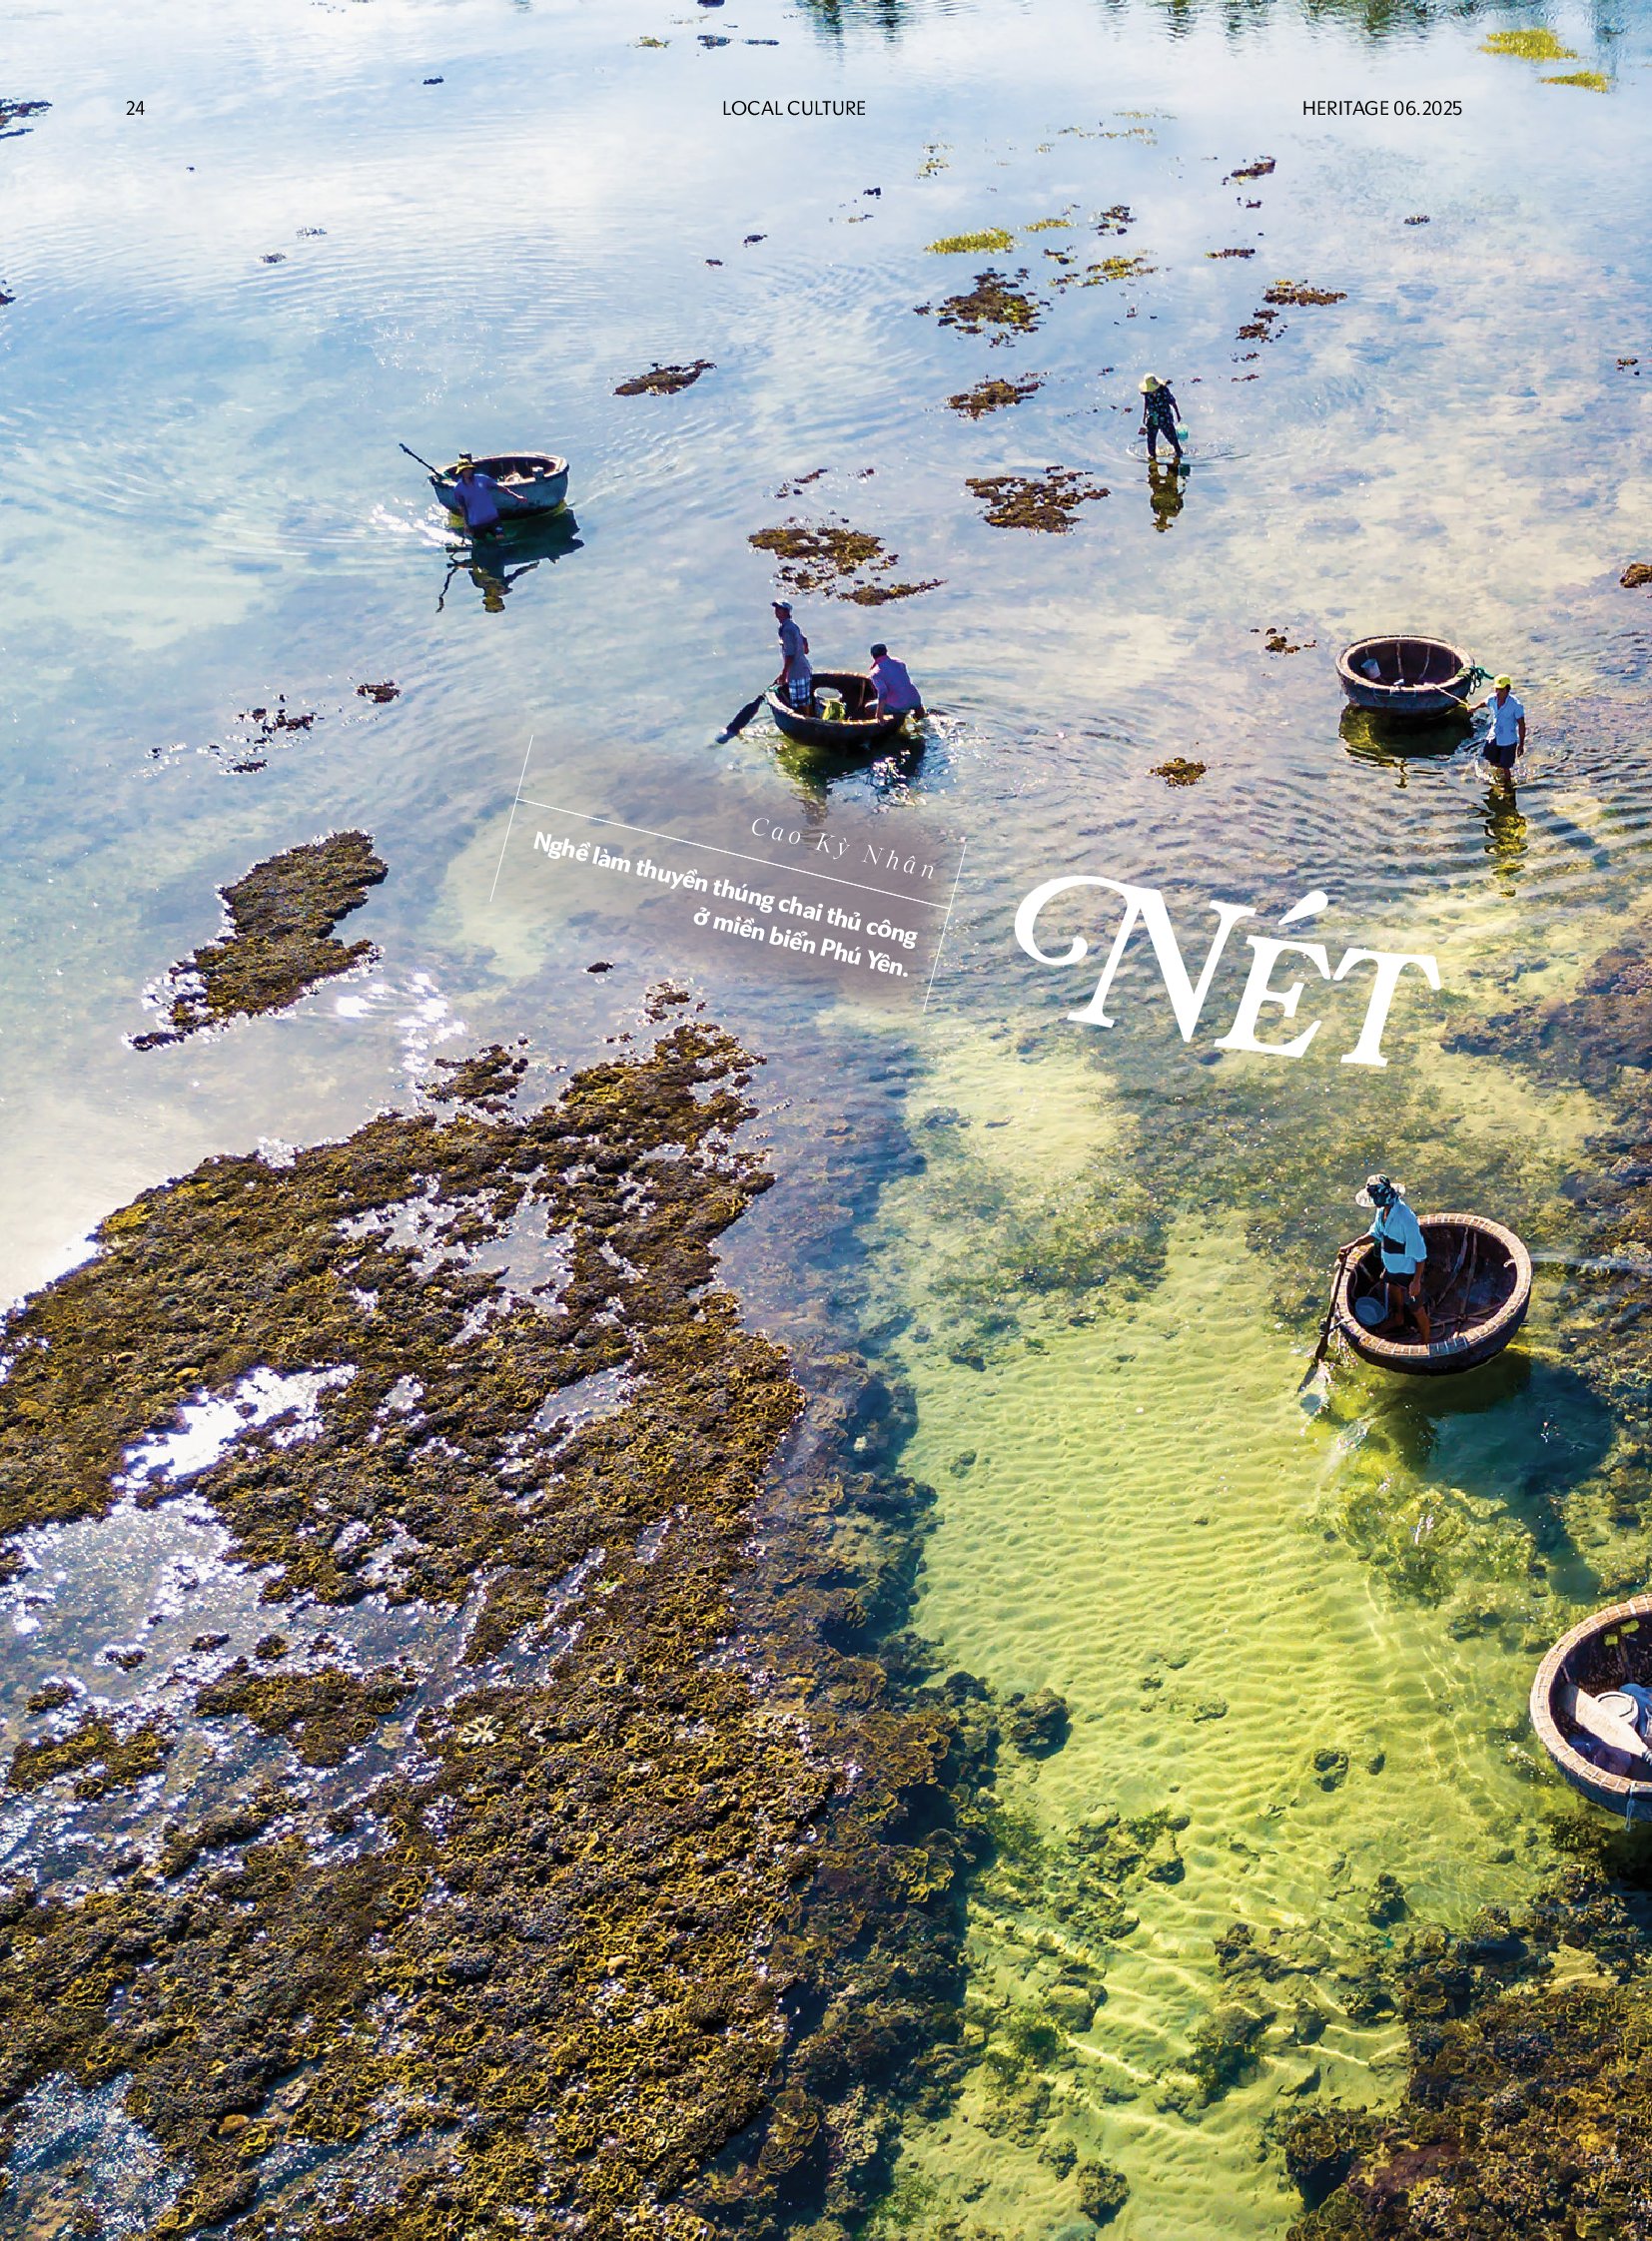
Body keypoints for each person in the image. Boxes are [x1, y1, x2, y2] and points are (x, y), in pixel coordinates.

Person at [1348, 1173, 1430, 1342]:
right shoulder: (1382, 1212)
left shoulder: (1405, 1218)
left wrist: (1416, 1281)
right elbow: (1375, 1233)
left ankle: (1426, 1341)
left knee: (1417, 1309)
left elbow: (1420, 1255)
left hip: (1408, 1272)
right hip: (1392, 1267)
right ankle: (1398, 1318)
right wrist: (1353, 1245)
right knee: (1393, 1290)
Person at [1481, 674, 1526, 787]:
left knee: (1506, 767)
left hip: (1508, 740)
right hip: (1494, 736)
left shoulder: (1515, 705)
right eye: (1496, 689)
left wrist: (1521, 744)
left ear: (1507, 690)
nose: (1498, 692)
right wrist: (1474, 708)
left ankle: (1507, 786)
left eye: (1501, 690)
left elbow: (1521, 725)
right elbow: (1485, 702)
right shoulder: (1492, 699)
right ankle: (1497, 775)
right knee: (1491, 760)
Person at [447, 456, 507, 534]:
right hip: (476, 522)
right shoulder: (458, 488)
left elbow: (500, 487)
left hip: (492, 518)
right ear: (461, 472)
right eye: (465, 470)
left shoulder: (482, 479)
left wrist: (516, 496)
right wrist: (466, 524)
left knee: (500, 537)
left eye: (469, 469)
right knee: (480, 540)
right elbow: (462, 507)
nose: (468, 472)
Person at [773, 601, 813, 711]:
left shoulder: (786, 630)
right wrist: (804, 649)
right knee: (805, 702)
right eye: (776, 609)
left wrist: (784, 674)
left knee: (800, 705)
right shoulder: (792, 626)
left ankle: (805, 721)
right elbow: (804, 641)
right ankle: (807, 717)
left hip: (797, 673)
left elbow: (790, 655)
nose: (776, 611)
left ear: (786, 612)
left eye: (779, 609)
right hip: (803, 669)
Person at [868, 643, 924, 719]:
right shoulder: (899, 662)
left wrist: (879, 714)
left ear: (872, 655)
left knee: (868, 707)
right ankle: (920, 717)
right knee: (907, 699)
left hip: (899, 705)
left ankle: (880, 723)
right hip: (915, 699)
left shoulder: (875, 673)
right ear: (886, 651)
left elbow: (883, 693)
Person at [1139, 374, 1184, 463]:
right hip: (1152, 418)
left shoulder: (1164, 391)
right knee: (1151, 440)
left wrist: (1178, 414)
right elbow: (1146, 404)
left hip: (1165, 418)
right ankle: (1152, 457)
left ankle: (1178, 453)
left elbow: (1172, 402)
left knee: (1172, 437)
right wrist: (1144, 415)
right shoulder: (1147, 393)